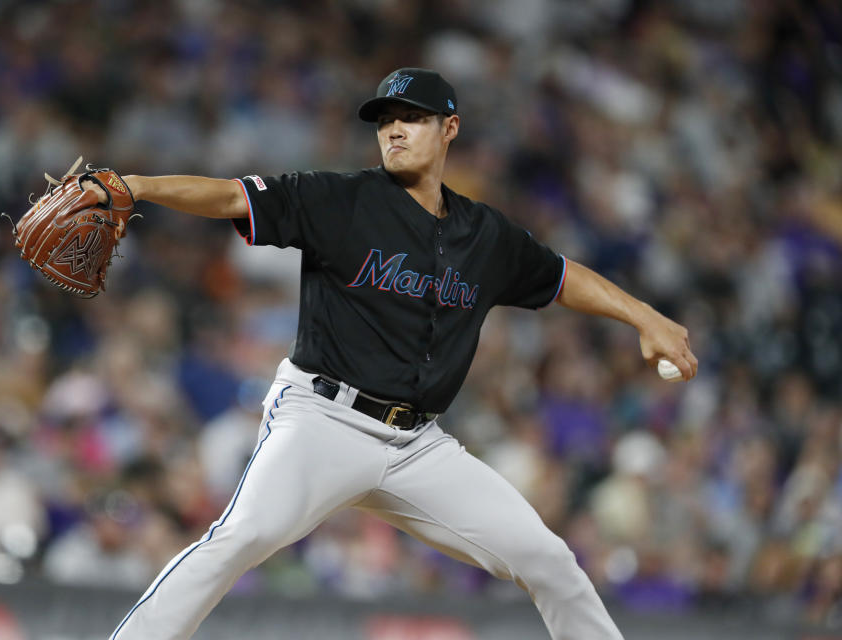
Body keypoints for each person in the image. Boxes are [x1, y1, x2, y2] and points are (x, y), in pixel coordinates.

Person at [105, 68, 697, 640]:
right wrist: (136, 187)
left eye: (411, 118)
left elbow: (562, 277)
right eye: (385, 118)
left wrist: (644, 317)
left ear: (450, 129)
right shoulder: (341, 199)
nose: (394, 129)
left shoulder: (484, 234)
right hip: (322, 421)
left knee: (550, 561)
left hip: (418, 446)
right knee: (239, 538)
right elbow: (231, 197)